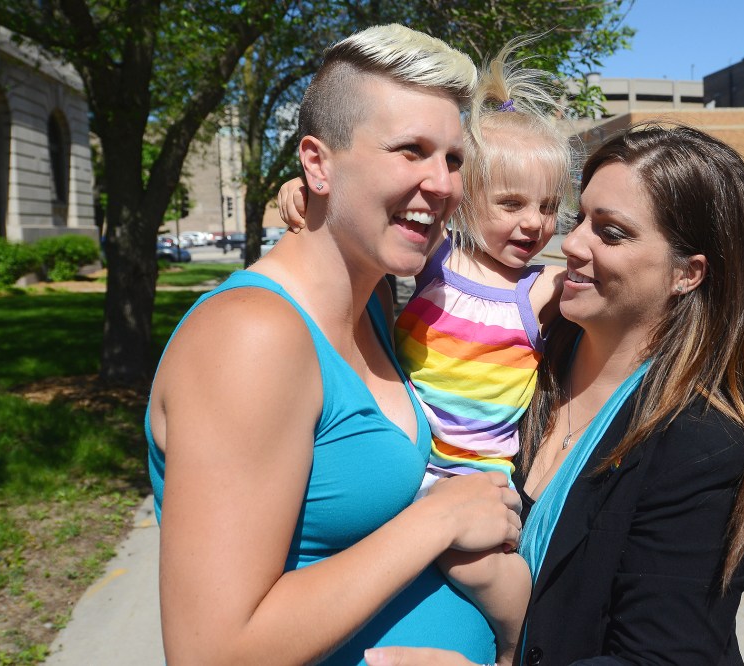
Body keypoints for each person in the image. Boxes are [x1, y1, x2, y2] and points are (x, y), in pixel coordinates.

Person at [364, 123, 744, 665]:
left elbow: (661, 658)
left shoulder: (702, 441)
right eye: (580, 217)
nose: (571, 242)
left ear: (687, 273)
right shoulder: (533, 345)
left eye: (611, 232)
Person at [147, 25, 523, 666]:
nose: (442, 185)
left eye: (453, 158)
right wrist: (438, 520)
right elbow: (210, 653)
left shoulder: (372, 300)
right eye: (410, 150)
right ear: (317, 163)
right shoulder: (251, 337)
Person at [279, 40, 573, 664]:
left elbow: (596, 278)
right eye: (512, 204)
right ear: (468, 201)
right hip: (419, 459)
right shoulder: (436, 259)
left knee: (479, 572)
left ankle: (518, 641)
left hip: (479, 472)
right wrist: (300, 190)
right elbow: (367, 214)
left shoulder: (537, 292)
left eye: (548, 208)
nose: (534, 224)